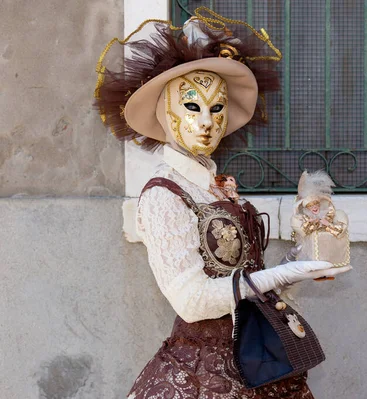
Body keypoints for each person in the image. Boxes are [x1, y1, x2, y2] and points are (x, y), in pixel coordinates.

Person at [94, 8, 351, 398]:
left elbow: (248, 284)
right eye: (192, 107)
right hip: (199, 377)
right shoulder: (163, 195)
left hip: (258, 365)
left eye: (216, 109)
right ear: (167, 113)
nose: (207, 122)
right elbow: (192, 301)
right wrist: (277, 277)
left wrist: (299, 266)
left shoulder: (216, 188)